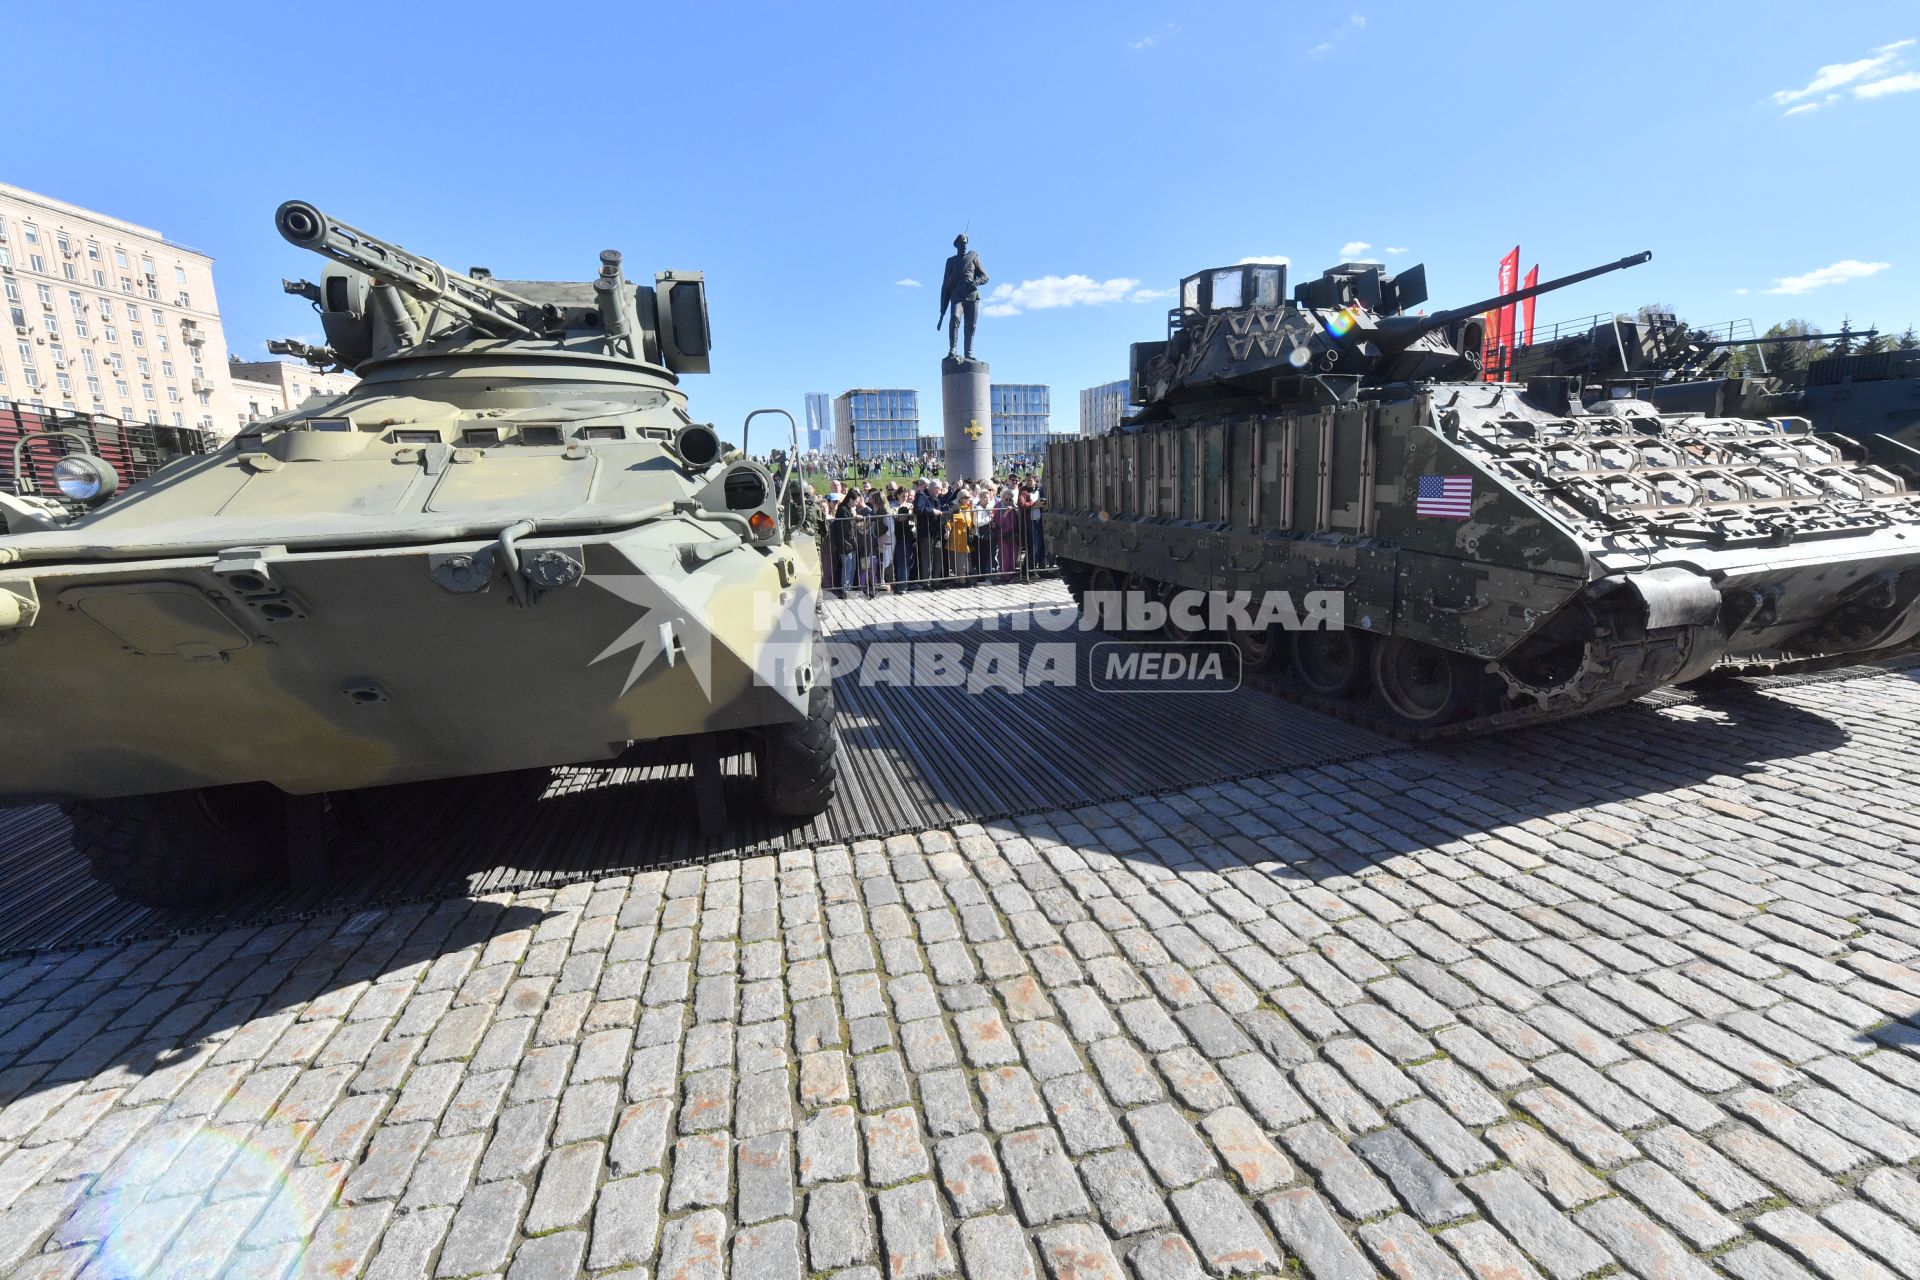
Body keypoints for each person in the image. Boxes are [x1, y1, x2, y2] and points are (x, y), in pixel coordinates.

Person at [946, 493, 975, 580]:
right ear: (961, 499)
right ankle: (960, 580)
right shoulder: (956, 508)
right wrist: (947, 530)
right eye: (966, 497)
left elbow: (972, 523)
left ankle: (962, 579)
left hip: (966, 538)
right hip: (957, 538)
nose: (968, 499)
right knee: (959, 561)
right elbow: (950, 521)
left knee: (965, 561)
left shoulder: (970, 508)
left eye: (969, 497)